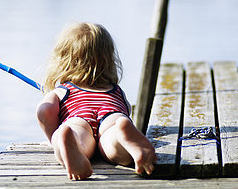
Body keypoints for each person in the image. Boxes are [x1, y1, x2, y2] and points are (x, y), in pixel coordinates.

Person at [36, 22, 156, 180]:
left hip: (79, 120)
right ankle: (123, 136)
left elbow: (44, 111)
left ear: (62, 60)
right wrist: (121, 121)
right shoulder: (116, 90)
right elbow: (126, 108)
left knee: (74, 138)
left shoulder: (63, 91)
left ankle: (67, 141)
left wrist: (52, 137)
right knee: (114, 145)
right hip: (112, 117)